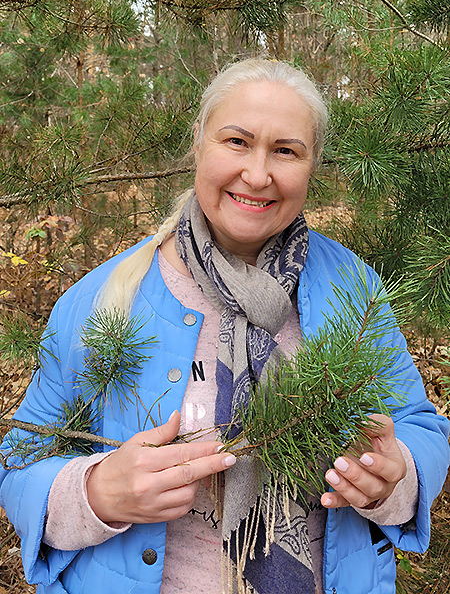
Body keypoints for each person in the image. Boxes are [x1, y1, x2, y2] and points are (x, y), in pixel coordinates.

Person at [0, 58, 449, 594]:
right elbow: (20, 462)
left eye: (285, 150)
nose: (258, 174)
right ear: (199, 143)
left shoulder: (353, 291)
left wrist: (392, 479)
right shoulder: (103, 299)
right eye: (237, 141)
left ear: (312, 165)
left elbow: (420, 431)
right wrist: (96, 492)